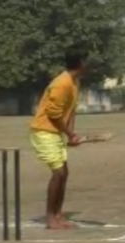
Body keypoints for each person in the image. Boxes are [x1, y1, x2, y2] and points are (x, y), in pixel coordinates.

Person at [29, 49, 88, 230]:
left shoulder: (73, 82)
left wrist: (72, 133)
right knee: (59, 173)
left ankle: (58, 215)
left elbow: (71, 110)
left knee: (64, 173)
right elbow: (53, 115)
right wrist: (70, 134)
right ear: (81, 63)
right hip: (44, 131)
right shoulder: (61, 84)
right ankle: (50, 218)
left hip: (55, 132)